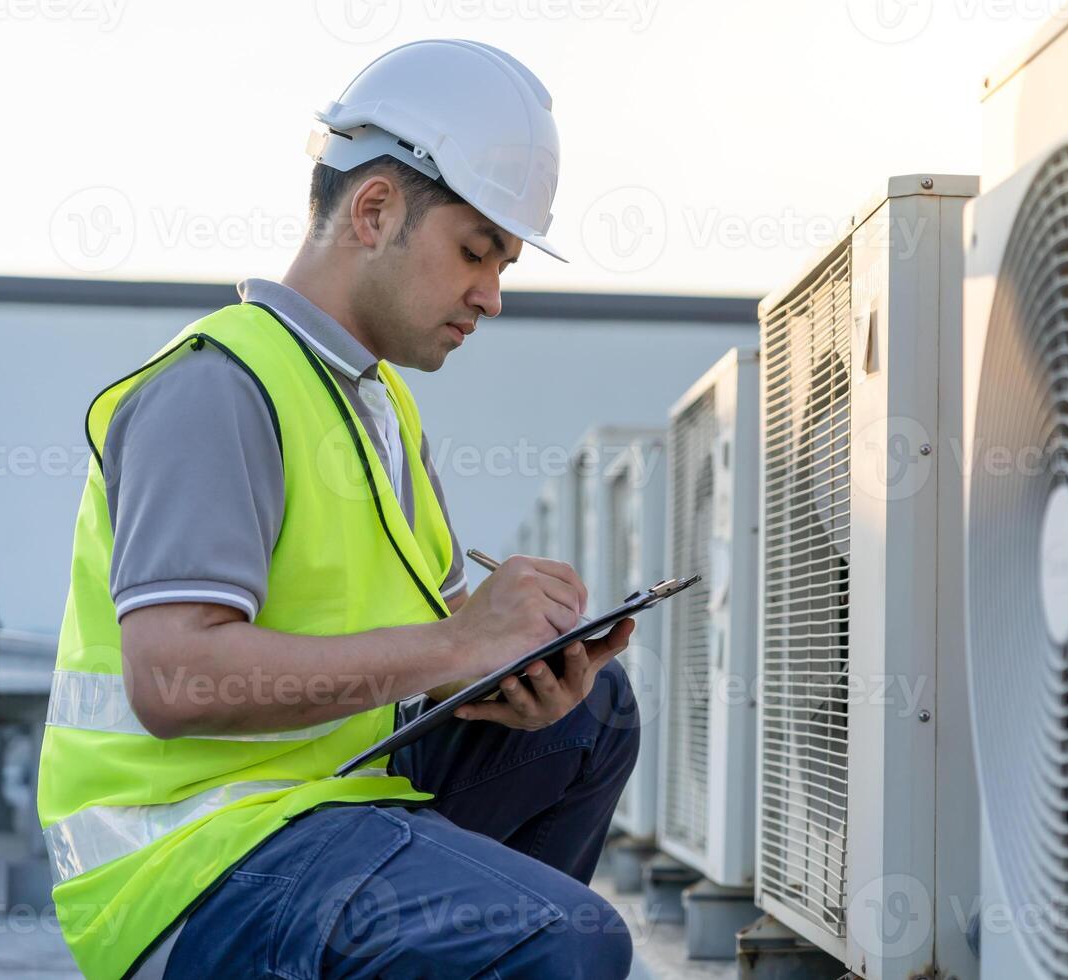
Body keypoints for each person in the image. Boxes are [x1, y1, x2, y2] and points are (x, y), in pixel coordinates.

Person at [37, 40, 640, 979]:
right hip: (190, 861)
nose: (490, 293)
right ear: (374, 210)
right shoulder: (220, 388)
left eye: (504, 263)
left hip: (319, 806)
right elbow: (175, 681)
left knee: (590, 712)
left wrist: (503, 673)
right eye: (475, 252)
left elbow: (408, 657)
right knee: (571, 939)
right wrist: (457, 647)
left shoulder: (378, 407)